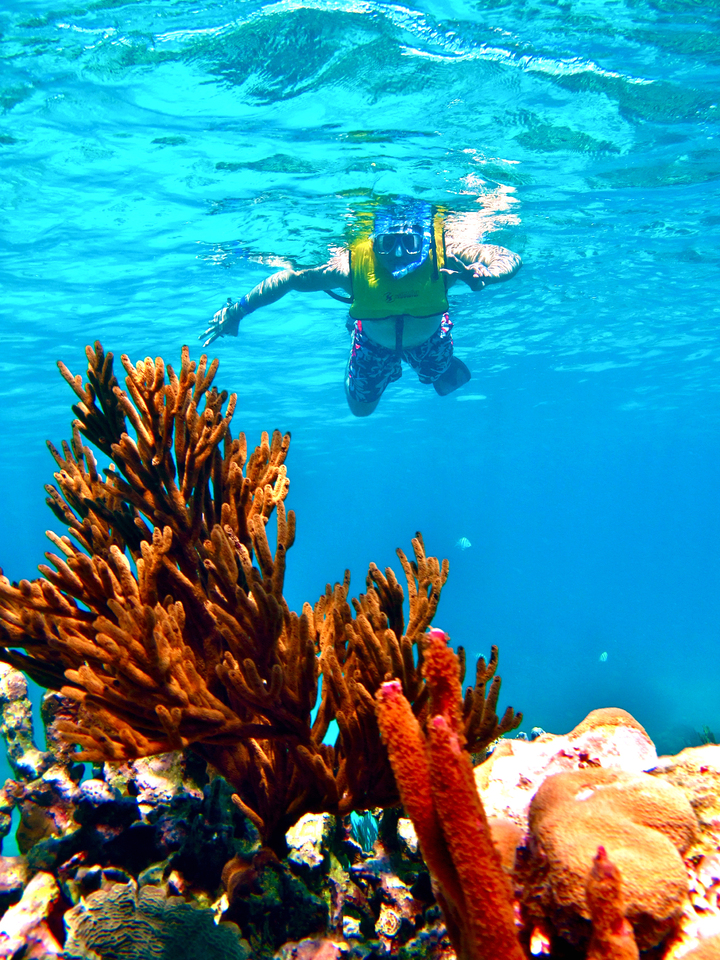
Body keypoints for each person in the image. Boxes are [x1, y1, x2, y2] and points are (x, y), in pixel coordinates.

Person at [201, 200, 521, 417]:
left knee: (435, 373)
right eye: (387, 244)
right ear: (373, 241)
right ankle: (357, 333)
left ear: (423, 241)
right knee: (361, 410)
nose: (398, 254)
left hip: (431, 339)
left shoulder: (442, 255)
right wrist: (238, 310)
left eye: (410, 244)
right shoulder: (350, 267)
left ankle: (430, 366)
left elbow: (506, 256)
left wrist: (487, 273)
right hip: (372, 344)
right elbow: (290, 279)